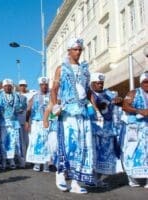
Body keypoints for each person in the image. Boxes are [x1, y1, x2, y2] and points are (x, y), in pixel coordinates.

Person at [50, 38, 97, 194]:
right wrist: (55, 105)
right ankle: (61, 174)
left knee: (84, 146)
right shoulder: (61, 68)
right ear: (69, 50)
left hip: (83, 112)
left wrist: (94, 108)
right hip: (68, 111)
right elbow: (54, 89)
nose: (78, 52)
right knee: (69, 144)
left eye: (80, 49)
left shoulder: (85, 69)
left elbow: (89, 91)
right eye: (75, 49)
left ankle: (76, 183)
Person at [90, 72, 123, 186]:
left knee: (104, 156)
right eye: (98, 83)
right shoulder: (89, 94)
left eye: (102, 83)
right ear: (92, 84)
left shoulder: (108, 93)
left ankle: (97, 179)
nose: (100, 85)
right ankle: (91, 179)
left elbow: (118, 100)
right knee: (93, 155)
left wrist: (119, 100)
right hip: (94, 129)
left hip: (107, 130)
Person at [122, 72, 148, 188]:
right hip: (135, 127)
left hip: (146, 128)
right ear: (141, 83)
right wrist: (139, 111)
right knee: (132, 152)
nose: (147, 84)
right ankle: (132, 178)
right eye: (145, 82)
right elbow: (124, 106)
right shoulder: (133, 93)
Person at [0, 79, 24, 169]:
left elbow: (19, 108)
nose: (7, 87)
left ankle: (12, 160)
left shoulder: (16, 96)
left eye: (9, 86)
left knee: (14, 142)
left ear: (11, 87)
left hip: (14, 122)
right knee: (4, 141)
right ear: (3, 87)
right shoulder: (0, 96)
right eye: (5, 86)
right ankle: (4, 160)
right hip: (4, 123)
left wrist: (19, 109)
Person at [25, 77, 52, 172]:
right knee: (36, 142)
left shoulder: (52, 96)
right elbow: (28, 109)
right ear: (40, 85)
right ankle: (37, 163)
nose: (44, 86)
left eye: (46, 85)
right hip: (36, 122)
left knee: (47, 143)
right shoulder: (34, 96)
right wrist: (27, 122)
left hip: (48, 122)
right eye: (42, 85)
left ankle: (46, 164)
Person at [17, 80, 29, 162]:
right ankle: (23, 160)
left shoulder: (31, 94)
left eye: (24, 85)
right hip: (18, 121)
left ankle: (29, 159)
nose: (22, 87)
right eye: (21, 85)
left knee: (28, 141)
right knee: (21, 142)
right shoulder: (16, 96)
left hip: (28, 121)